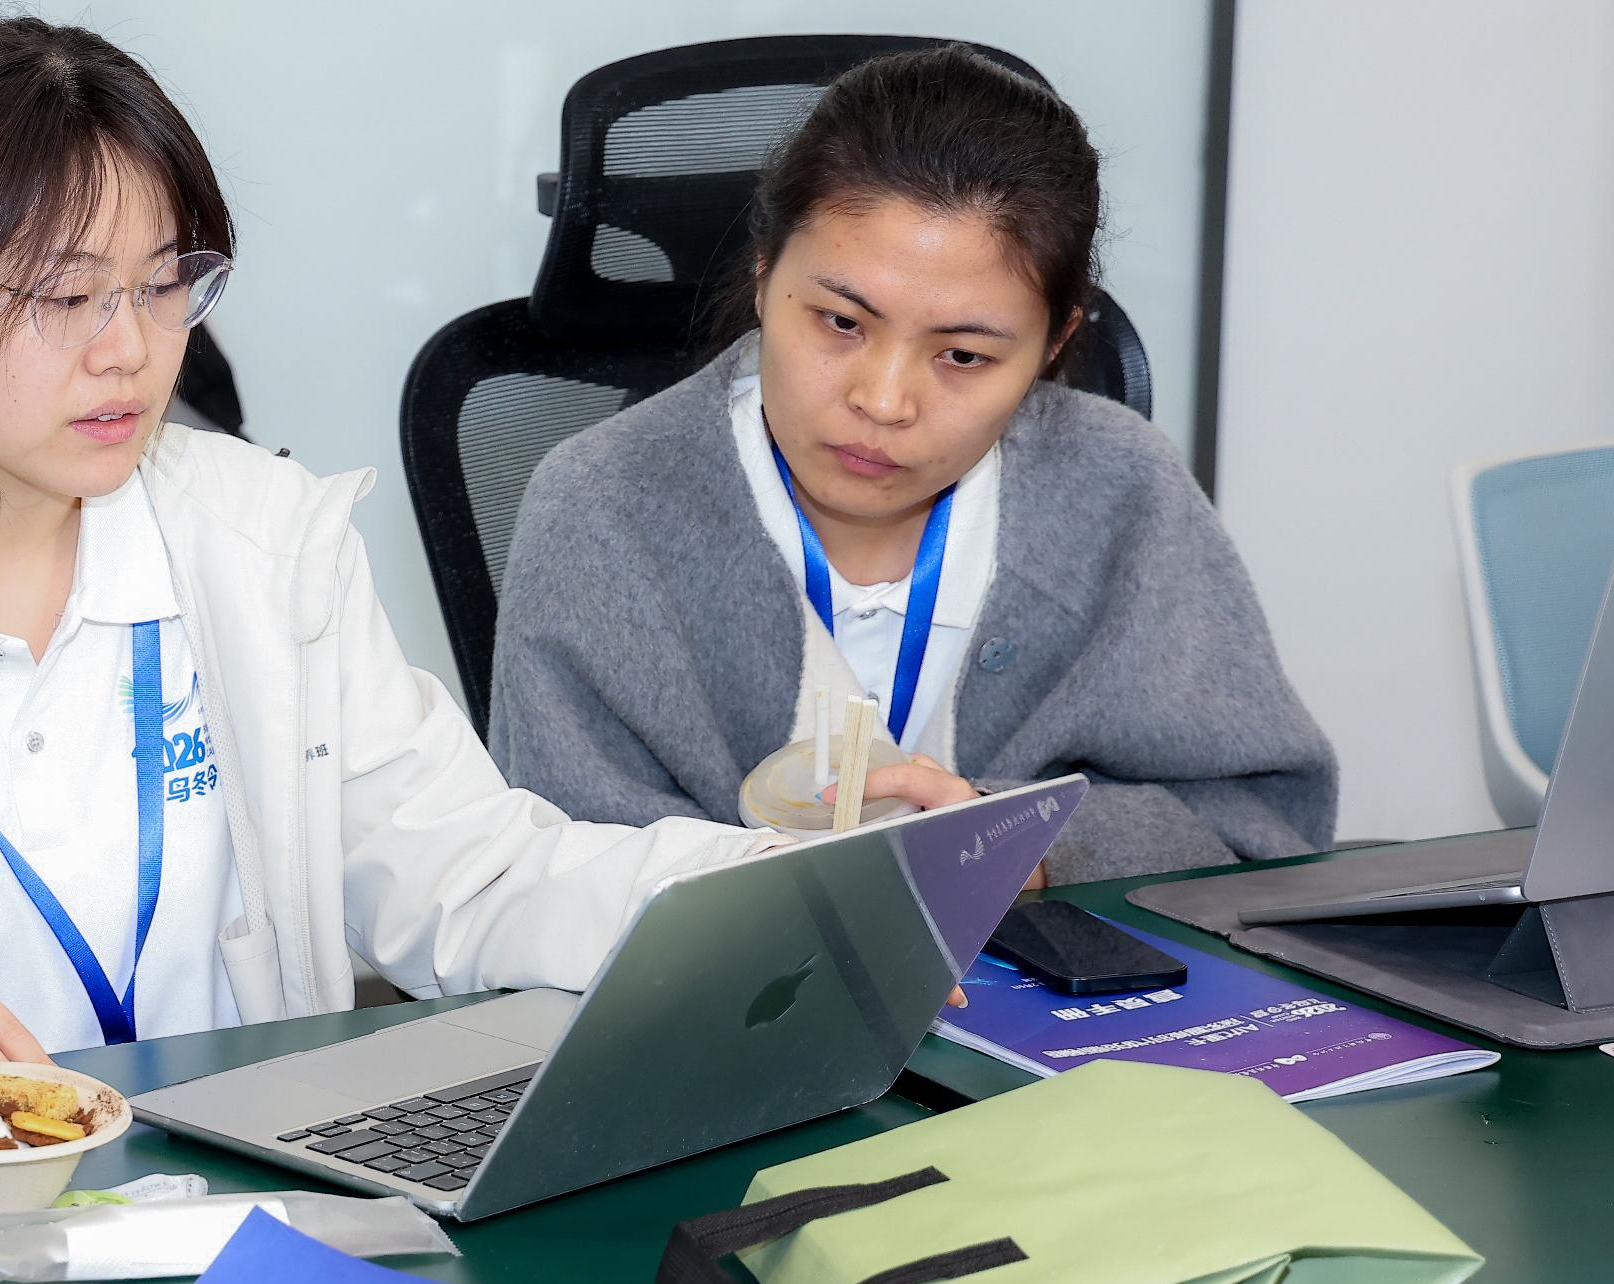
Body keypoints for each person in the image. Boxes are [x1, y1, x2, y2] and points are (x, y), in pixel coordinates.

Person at [0, 13, 771, 1118]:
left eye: (163, 283)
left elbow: (470, 876)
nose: (128, 351)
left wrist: (780, 883)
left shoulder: (266, 550)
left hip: (240, 1217)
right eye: (63, 294)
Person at [488, 46, 1337, 882]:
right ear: (763, 274)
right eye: (840, 323)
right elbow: (555, 878)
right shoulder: (602, 507)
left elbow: (1263, 822)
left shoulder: (1122, 489)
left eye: (963, 356)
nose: (885, 401)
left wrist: (1023, 848)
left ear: (1054, 345)